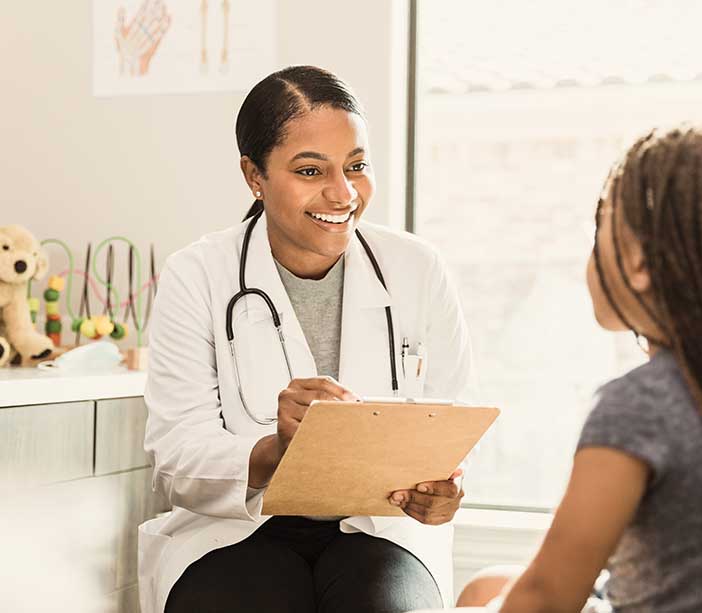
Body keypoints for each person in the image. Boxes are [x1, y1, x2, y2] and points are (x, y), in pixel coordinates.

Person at [138, 66, 475, 613]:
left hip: (381, 528)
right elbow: (177, 460)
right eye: (310, 169)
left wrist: (445, 493)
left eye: (357, 167)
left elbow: (452, 425)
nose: (343, 193)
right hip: (238, 529)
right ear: (254, 174)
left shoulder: (417, 267)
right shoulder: (197, 275)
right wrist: (276, 451)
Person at [456, 125, 702, 612]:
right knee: (486, 585)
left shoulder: (642, 405)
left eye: (596, 233)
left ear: (640, 261)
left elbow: (547, 596)